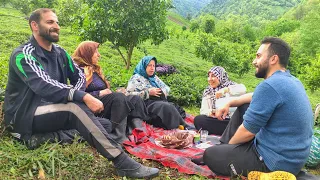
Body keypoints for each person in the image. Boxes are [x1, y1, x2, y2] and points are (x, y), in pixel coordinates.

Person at [3, 8, 159, 178]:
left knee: (103, 125)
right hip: (27, 113)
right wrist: (81, 96)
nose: (56, 26)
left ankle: (43, 138)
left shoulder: (60, 53)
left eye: (57, 22)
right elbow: (43, 85)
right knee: (74, 109)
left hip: (55, 110)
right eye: (50, 22)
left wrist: (76, 93)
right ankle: (121, 162)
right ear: (34, 25)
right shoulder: (23, 55)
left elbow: (79, 77)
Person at [200, 37, 313, 177]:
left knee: (210, 155)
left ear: (273, 59)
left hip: (273, 163)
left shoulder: (270, 86)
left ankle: (225, 148)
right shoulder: (290, 81)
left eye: (258, 56)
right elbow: (254, 96)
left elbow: (247, 132)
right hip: (293, 159)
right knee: (243, 106)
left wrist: (228, 150)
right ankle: (226, 146)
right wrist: (229, 102)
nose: (254, 61)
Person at [72, 41, 150, 143]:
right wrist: (99, 93)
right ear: (87, 53)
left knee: (135, 99)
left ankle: (136, 132)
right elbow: (77, 95)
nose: (99, 55)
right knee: (119, 98)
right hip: (93, 106)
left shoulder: (94, 70)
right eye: (96, 52)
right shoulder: (80, 71)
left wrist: (115, 91)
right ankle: (116, 136)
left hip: (105, 102)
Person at [126, 56, 189, 129]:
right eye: (149, 65)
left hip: (158, 101)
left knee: (176, 108)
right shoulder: (136, 78)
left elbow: (167, 88)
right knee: (166, 107)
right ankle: (184, 126)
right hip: (145, 104)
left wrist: (160, 91)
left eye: (153, 66)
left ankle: (174, 124)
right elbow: (128, 95)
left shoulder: (154, 78)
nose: (152, 68)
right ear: (144, 66)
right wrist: (148, 93)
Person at [194, 66, 246, 135]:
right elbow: (203, 110)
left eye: (213, 76)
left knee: (242, 121)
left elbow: (243, 89)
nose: (210, 79)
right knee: (198, 120)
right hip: (219, 120)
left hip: (233, 119)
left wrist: (225, 90)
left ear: (221, 76)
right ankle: (231, 132)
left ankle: (231, 132)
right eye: (208, 76)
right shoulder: (208, 91)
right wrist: (212, 112)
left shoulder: (231, 86)